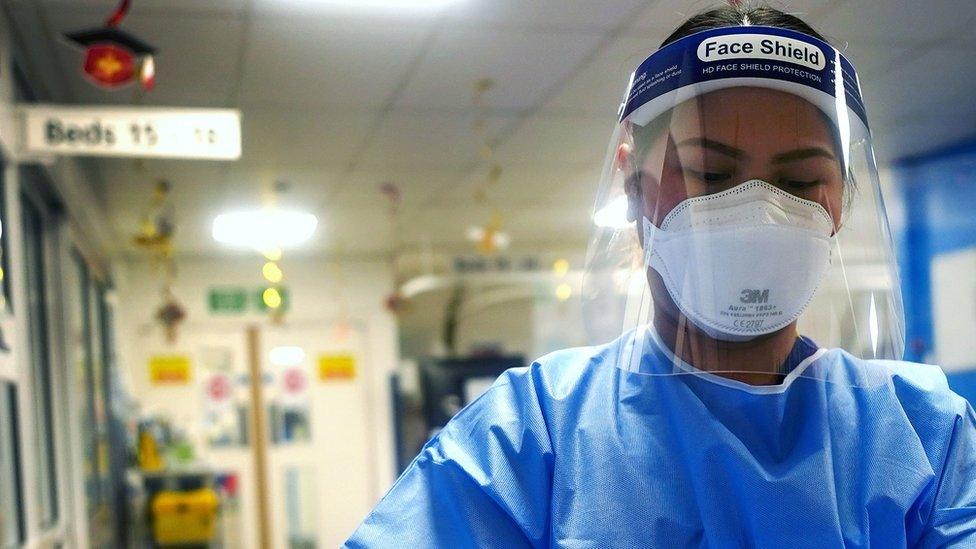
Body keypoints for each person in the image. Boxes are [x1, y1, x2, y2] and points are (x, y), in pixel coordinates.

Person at [345, 4, 976, 547]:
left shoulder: (925, 436)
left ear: (840, 200)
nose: (758, 213)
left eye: (798, 182)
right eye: (709, 173)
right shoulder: (531, 437)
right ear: (633, 183)